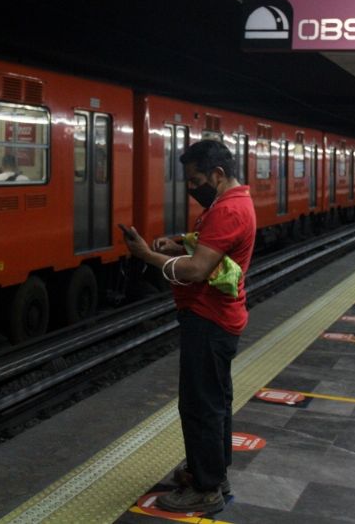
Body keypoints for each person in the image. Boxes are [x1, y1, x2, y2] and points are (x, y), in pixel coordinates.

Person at [122, 140, 256, 514]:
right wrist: (180, 241)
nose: (192, 187)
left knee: (200, 405)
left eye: (196, 179)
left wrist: (149, 256)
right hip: (216, 317)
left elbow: (198, 269)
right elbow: (210, 251)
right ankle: (213, 470)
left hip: (210, 319)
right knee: (215, 401)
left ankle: (206, 487)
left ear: (217, 174)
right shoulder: (231, 202)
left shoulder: (228, 210)